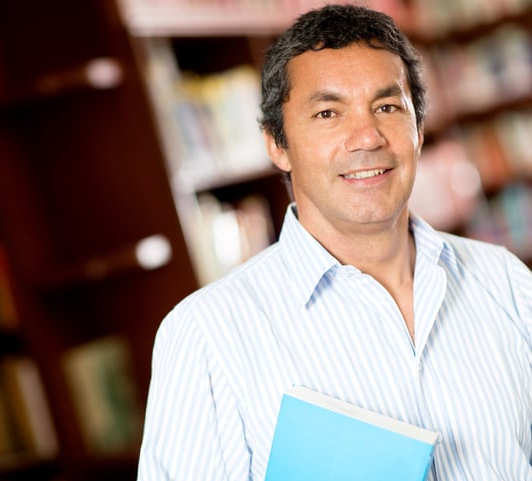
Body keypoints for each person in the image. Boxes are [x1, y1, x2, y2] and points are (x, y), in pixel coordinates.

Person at [137, 4, 532, 480]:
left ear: (419, 130)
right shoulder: (207, 337)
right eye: (328, 112)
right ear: (276, 145)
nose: (366, 137)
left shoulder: (505, 281)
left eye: (387, 107)